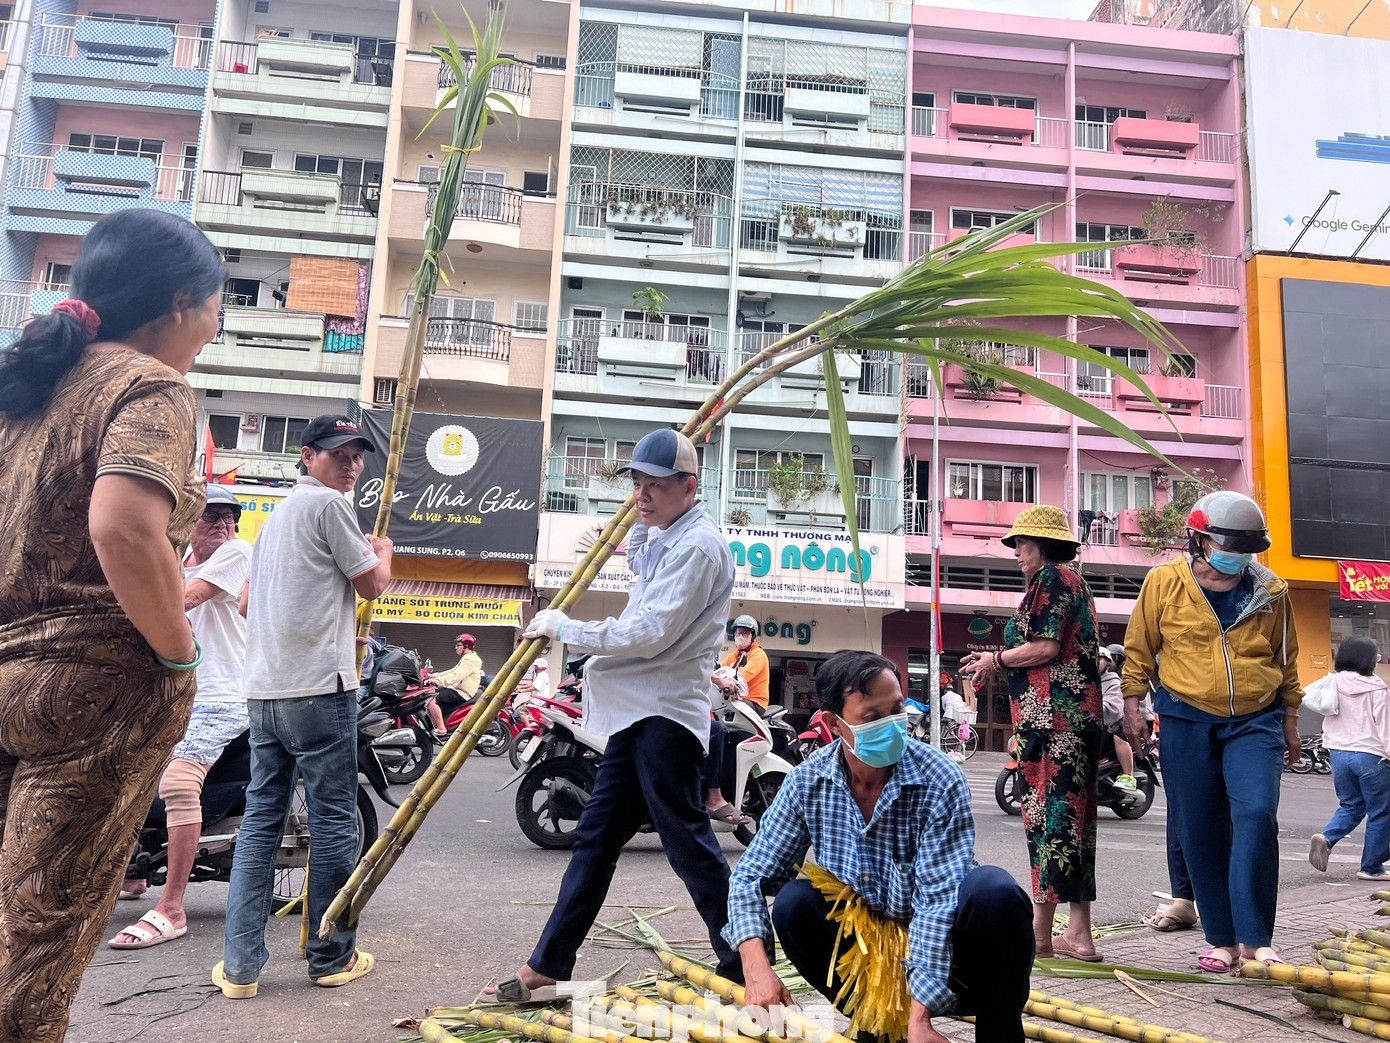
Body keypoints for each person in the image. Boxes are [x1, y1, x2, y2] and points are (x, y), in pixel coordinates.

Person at [0, 208, 225, 1042]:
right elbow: (125, 527)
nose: (214, 328)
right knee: (39, 933)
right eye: (217, 308)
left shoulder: (25, 388)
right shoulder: (149, 384)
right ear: (179, 303)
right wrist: (178, 657)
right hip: (94, 688)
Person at [486, 428, 741, 1002]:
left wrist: (569, 629)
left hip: (665, 715)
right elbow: (642, 575)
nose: (642, 496)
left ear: (689, 487)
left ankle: (749, 961)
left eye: (656, 486)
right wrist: (636, 527)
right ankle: (547, 965)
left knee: (688, 843)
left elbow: (650, 632)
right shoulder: (667, 535)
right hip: (636, 712)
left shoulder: (698, 547)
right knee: (596, 838)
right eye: (637, 484)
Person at [728, 650, 1033, 1043]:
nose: (891, 725)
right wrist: (756, 970)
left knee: (994, 892)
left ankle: (999, 1031)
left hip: (949, 951)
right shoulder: (807, 783)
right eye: (872, 716)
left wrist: (920, 1017)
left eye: (897, 710)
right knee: (794, 903)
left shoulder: (939, 776)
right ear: (834, 724)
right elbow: (750, 876)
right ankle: (876, 1021)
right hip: (867, 957)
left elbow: (938, 899)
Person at [214, 414, 393, 998]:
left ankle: (240, 968)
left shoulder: (274, 520)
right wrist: (384, 551)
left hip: (265, 692)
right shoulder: (329, 506)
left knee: (260, 822)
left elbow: (247, 605)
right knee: (334, 819)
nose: (351, 465)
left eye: (357, 455)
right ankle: (330, 957)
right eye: (339, 454)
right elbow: (372, 584)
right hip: (319, 689)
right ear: (308, 455)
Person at [1122, 490, 1302, 972]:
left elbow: (1286, 659)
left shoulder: (1272, 591)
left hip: (1256, 719)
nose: (1238, 556)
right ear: (1199, 539)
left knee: (1257, 815)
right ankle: (1222, 940)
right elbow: (1139, 648)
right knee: (1199, 827)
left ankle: (1256, 939)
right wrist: (1133, 707)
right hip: (1185, 718)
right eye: (1229, 545)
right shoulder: (1164, 582)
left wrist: (1291, 719)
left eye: (1247, 549)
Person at [959, 505, 1104, 962]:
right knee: (1075, 824)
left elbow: (1045, 647)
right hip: (1071, 720)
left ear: (1041, 545)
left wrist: (995, 659)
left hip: (1054, 720)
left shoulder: (1051, 579)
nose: (1016, 552)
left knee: (1050, 822)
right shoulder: (1072, 581)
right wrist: (997, 663)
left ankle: (1040, 935)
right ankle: (1078, 934)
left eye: (1021, 544)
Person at [110, 485, 252, 948]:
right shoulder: (174, 560)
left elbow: (186, 599)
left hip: (224, 696)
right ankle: (133, 872)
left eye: (230, 516)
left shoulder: (236, 553)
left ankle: (172, 906)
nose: (224, 524)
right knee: (113, 768)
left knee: (176, 783)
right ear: (186, 522)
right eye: (212, 516)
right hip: (173, 697)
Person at [1308, 636, 1390, 881]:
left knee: (1352, 805)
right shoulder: (1376, 688)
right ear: (1368, 660)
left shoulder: (1332, 683)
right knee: (1381, 812)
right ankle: (1371, 868)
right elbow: (1384, 726)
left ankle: (1327, 837)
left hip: (1339, 755)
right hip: (1371, 756)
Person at [1097, 645, 1137, 791]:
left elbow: (1113, 710)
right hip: (1098, 725)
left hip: (1116, 726)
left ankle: (1128, 776)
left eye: (1100, 659)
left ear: (1108, 663)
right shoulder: (1089, 682)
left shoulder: (1115, 682)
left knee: (1118, 736)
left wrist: (1089, 710)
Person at [722, 614, 770, 709]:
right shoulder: (735, 655)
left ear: (753, 636)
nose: (740, 636)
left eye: (745, 633)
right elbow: (720, 668)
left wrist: (726, 681)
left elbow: (743, 678)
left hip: (755, 701)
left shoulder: (758, 654)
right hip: (737, 699)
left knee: (730, 708)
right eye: (738, 632)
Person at [432, 632, 484, 717]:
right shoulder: (467, 658)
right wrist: (435, 675)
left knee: (431, 700)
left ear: (465, 647)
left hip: (462, 693)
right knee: (432, 692)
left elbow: (456, 676)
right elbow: (452, 671)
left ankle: (439, 725)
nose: (455, 648)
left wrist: (437, 681)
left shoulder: (470, 660)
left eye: (458, 645)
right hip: (457, 690)